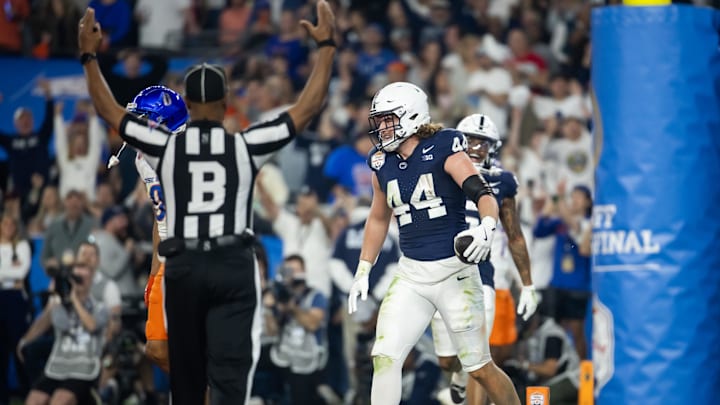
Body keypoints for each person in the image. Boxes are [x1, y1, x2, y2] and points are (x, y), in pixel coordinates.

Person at [78, 2, 336, 403]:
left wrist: (89, 56)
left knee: (189, 369)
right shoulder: (243, 146)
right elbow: (306, 109)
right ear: (222, 104)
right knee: (217, 371)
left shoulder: (164, 148)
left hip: (189, 265)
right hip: (231, 265)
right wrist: (327, 49)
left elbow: (107, 109)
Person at [347, 81, 520, 405]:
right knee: (384, 356)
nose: (382, 128)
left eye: (388, 119)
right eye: (380, 120)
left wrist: (485, 227)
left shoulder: (444, 146)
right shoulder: (381, 162)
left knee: (479, 368)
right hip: (411, 274)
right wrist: (363, 268)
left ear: (411, 116)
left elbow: (483, 194)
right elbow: (379, 217)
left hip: (455, 273)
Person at [432, 114, 538, 405]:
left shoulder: (501, 181)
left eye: (484, 142)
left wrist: (527, 285)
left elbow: (514, 234)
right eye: (471, 140)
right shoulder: (439, 169)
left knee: (479, 356)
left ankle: (468, 380)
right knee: (446, 360)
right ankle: (457, 377)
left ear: (494, 147)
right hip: (440, 270)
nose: (477, 147)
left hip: (481, 272)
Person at [124, 85, 188, 373]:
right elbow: (158, 215)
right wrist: (153, 273)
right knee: (157, 348)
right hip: (168, 259)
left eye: (142, 119)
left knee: (198, 346)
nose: (135, 126)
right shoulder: (143, 159)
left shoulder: (191, 149)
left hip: (196, 256)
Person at [21, 261, 108, 405]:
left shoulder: (100, 306)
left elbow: (91, 326)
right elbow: (63, 325)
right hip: (57, 367)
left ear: (91, 278)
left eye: (83, 274)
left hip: (84, 368)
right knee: (33, 401)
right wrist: (59, 298)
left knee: (59, 401)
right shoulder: (60, 304)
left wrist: (75, 300)